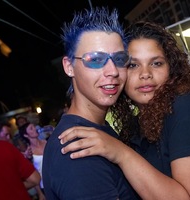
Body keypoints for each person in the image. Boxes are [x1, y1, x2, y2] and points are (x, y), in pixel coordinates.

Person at [58, 21, 190, 199]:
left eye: (156, 63)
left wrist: (121, 154)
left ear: (171, 70)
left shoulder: (188, 108)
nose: (145, 74)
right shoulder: (137, 123)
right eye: (132, 65)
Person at [42, 7, 138, 200]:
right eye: (95, 60)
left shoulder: (98, 131)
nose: (112, 71)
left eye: (119, 59)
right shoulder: (77, 150)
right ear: (69, 67)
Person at [19, 122, 46, 200]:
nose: (35, 129)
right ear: (26, 135)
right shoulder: (29, 152)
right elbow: (32, 175)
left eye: (34, 126)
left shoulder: (46, 142)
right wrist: (40, 193)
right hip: (44, 185)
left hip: (57, 179)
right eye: (31, 128)